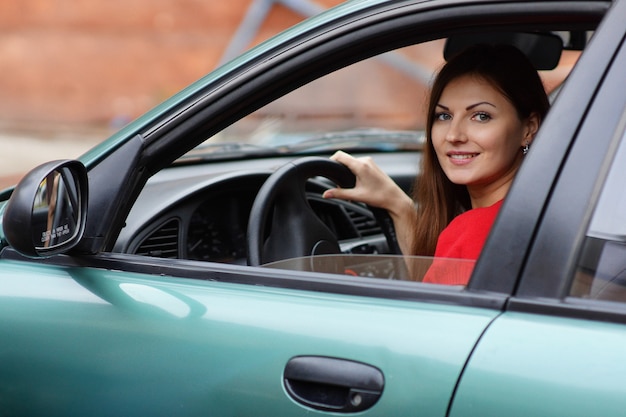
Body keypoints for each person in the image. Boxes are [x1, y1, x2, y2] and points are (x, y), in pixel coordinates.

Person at [323, 44, 550, 285]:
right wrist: (398, 205)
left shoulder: (478, 231)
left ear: (529, 128)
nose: (454, 135)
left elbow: (430, 315)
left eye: (481, 116)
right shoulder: (542, 213)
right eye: (444, 116)